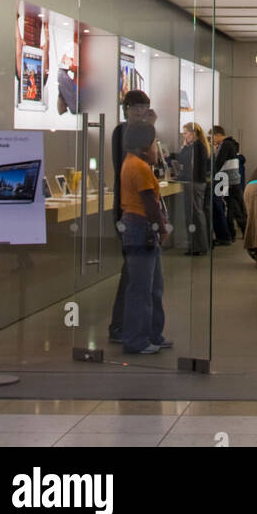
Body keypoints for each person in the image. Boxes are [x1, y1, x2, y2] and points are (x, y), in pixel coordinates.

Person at [117, 122, 172, 355]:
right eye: (154, 142)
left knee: (152, 287)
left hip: (138, 227)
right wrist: (162, 229)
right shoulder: (139, 167)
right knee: (142, 288)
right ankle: (136, 339)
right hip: (141, 228)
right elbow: (150, 204)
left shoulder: (132, 163)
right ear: (145, 145)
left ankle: (151, 334)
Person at [109, 91, 156, 343]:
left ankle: (129, 327)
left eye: (144, 108)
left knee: (139, 275)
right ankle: (120, 327)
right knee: (133, 274)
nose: (140, 112)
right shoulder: (123, 132)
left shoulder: (141, 132)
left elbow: (153, 159)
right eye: (136, 108)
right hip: (128, 210)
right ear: (126, 108)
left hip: (136, 210)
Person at [176, 122, 210, 255]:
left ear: (193, 133)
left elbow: (182, 159)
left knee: (195, 215)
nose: (184, 136)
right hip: (197, 182)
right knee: (196, 214)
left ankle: (198, 247)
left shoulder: (196, 147)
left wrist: (184, 146)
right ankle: (198, 246)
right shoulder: (200, 146)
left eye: (185, 133)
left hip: (194, 183)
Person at [211, 125, 246, 241]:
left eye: (212, 137)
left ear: (218, 135)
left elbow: (218, 162)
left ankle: (239, 233)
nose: (211, 140)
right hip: (231, 180)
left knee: (234, 209)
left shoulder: (225, 145)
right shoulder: (230, 144)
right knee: (233, 208)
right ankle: (232, 234)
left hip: (227, 181)